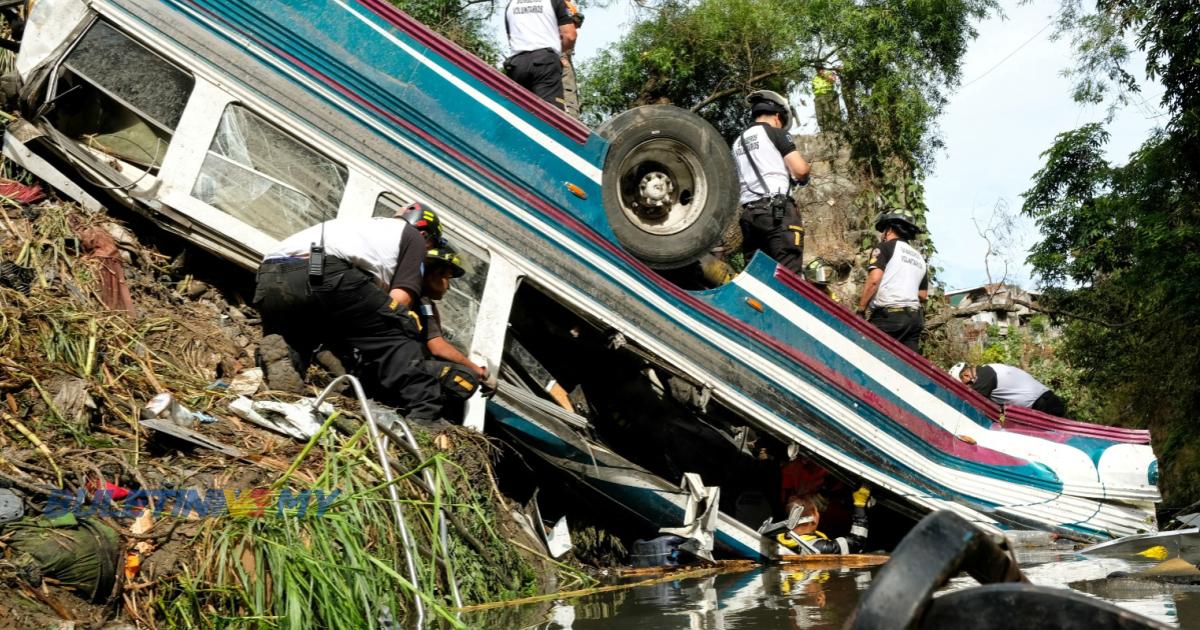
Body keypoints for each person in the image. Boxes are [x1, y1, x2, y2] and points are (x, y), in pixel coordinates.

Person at [253, 215, 442, 421]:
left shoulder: (357, 224)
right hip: (324, 271)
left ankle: (287, 373)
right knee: (397, 326)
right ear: (426, 235)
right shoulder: (415, 237)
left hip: (271, 274)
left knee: (303, 331)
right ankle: (425, 414)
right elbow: (400, 298)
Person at [733, 90, 812, 274]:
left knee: (759, 277)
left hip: (750, 215)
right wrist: (807, 170)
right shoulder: (776, 133)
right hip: (777, 213)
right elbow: (800, 170)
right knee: (788, 274)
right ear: (778, 116)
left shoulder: (737, 141)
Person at [856, 211, 928, 353]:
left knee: (864, 354)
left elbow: (874, 281)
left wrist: (861, 310)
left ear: (889, 230)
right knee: (906, 367)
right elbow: (923, 295)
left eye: (883, 231)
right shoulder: (919, 258)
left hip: (889, 318)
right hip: (914, 320)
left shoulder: (884, 247)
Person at [419, 245, 487, 385]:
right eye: (448, 277)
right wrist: (478, 371)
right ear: (435, 274)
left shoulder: (424, 301)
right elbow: (437, 347)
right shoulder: (421, 301)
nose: (448, 286)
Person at [503, 0, 577, 110]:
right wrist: (561, 52)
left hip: (516, 65)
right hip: (545, 63)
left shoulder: (510, 5)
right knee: (551, 114)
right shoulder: (554, 1)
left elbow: (511, 38)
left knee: (520, 112)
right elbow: (570, 36)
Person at [776, 485, 872, 555]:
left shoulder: (779, 539)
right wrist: (859, 506)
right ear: (813, 519)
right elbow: (856, 543)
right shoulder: (819, 549)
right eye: (817, 512)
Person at [950, 362, 1068, 417]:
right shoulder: (988, 371)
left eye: (966, 386)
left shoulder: (985, 374)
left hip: (1044, 405)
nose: (970, 389)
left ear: (966, 376)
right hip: (1044, 403)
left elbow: (970, 403)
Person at [560, 0, 584, 118]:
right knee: (568, 86)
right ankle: (571, 118)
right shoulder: (560, 4)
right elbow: (569, 34)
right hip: (561, 52)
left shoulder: (570, 6)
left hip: (564, 53)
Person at [812, 68, 841, 132]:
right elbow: (813, 88)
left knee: (830, 113)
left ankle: (836, 130)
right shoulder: (815, 78)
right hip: (818, 97)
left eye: (821, 69)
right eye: (818, 69)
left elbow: (834, 80)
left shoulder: (828, 74)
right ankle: (823, 131)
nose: (819, 71)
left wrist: (826, 75)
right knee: (820, 115)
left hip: (828, 95)